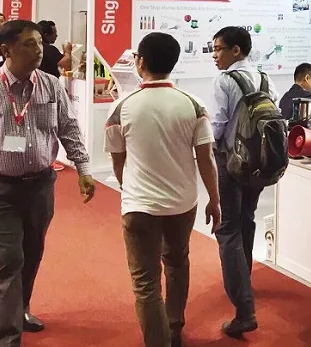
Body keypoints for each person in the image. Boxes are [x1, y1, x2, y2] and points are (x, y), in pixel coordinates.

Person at [104, 32, 221, 347]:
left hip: (138, 206)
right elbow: (206, 158)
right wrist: (215, 200)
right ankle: (174, 327)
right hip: (182, 204)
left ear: (140, 63)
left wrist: (129, 188)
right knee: (177, 262)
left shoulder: (121, 107)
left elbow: (118, 160)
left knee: (146, 283)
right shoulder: (193, 105)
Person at [0, 20, 95, 345]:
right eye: (29, 44)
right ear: (6, 50)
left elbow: (69, 128)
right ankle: (8, 336)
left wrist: (83, 168)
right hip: (3, 189)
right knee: (9, 258)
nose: (38, 50)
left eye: (40, 42)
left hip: (41, 185)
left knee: (32, 251)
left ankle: (21, 308)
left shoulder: (51, 84)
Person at [210, 26, 278, 338]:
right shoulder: (265, 78)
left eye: (219, 49)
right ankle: (244, 279)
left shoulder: (224, 81)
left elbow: (218, 125)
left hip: (231, 162)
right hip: (259, 164)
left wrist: (207, 153)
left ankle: (244, 309)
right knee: (246, 219)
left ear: (236, 50)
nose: (215, 55)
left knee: (227, 229)